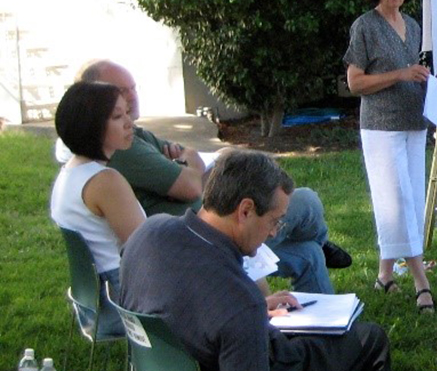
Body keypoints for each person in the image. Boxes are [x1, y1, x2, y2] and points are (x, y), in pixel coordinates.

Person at [118, 150, 420, 371]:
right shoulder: (236, 300)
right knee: (368, 342)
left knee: (326, 342)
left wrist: (258, 307)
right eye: (274, 221)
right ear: (245, 210)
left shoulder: (150, 231)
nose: (274, 231)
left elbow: (185, 298)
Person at [78, 60, 351, 295]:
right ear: (94, 106)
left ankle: (322, 338)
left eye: (133, 88)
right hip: (205, 243)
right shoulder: (120, 152)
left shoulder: (133, 138)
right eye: (120, 93)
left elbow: (188, 165)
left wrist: (189, 168)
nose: (130, 97)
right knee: (305, 200)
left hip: (205, 232)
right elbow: (189, 185)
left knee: (308, 254)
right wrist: (190, 168)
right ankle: (320, 239)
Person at [344, 0, 437, 313]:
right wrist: (401, 74)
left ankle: (385, 275)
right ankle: (421, 280)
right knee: (398, 200)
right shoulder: (365, 27)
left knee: (409, 199)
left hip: (413, 123)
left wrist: (435, 84)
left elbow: (417, 74)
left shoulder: (414, 26)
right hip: (381, 127)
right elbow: (355, 82)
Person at [50, 82, 146, 336]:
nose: (129, 122)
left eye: (127, 112)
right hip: (121, 303)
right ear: (91, 125)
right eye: (117, 116)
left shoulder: (71, 172)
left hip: (94, 301)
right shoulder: (105, 181)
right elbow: (147, 248)